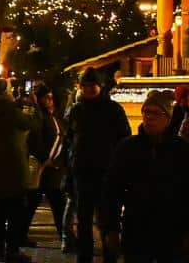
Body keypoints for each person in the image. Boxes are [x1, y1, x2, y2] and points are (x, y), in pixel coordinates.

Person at [101, 89, 189, 263]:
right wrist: (110, 228)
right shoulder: (128, 148)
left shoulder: (182, 150)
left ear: (168, 117)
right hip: (137, 229)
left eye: (155, 113)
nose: (149, 117)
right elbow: (111, 189)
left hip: (173, 230)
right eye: (146, 112)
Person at [63, 69, 129, 263]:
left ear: (100, 86)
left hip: (106, 173)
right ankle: (84, 257)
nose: (89, 89)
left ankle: (110, 257)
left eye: (92, 85)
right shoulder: (76, 110)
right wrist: (68, 172)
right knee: (83, 221)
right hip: (81, 173)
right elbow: (68, 142)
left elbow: (124, 138)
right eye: (85, 86)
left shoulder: (113, 109)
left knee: (107, 220)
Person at [0, 78, 36, 262]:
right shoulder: (10, 110)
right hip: (13, 165)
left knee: (1, 208)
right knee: (16, 210)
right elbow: (31, 123)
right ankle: (12, 250)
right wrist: (33, 107)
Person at [24, 85, 65, 251]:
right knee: (37, 203)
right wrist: (45, 159)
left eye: (51, 97)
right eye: (46, 97)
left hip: (50, 168)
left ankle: (66, 235)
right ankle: (19, 235)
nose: (50, 100)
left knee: (53, 203)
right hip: (43, 168)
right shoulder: (38, 116)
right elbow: (33, 141)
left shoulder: (49, 115)